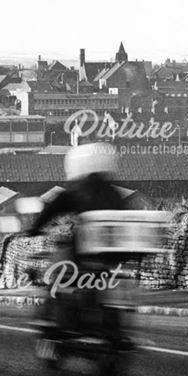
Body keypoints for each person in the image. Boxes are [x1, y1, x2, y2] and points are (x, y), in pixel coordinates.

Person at [27, 143, 127, 334]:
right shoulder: (116, 194)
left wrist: (34, 229)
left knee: (58, 272)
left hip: (83, 251)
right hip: (112, 255)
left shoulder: (78, 191)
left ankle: (54, 321)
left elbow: (52, 209)